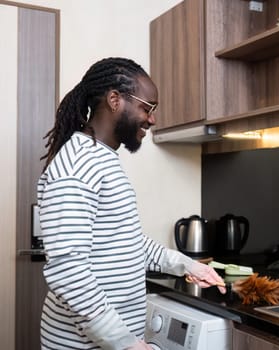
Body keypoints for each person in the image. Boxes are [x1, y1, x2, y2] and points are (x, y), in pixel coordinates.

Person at [37, 57, 226, 350]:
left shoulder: (100, 158)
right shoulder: (77, 166)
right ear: (115, 100)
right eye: (147, 108)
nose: (152, 119)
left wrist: (187, 265)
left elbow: (126, 241)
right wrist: (127, 343)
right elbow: (68, 269)